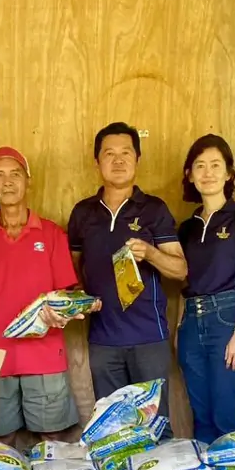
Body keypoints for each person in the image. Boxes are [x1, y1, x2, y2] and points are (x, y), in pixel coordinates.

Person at [0, 146, 83, 445]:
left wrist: (63, 311)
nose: (7, 182)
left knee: (53, 437)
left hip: (44, 355)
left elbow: (65, 295)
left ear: (28, 181)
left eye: (15, 174)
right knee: (1, 440)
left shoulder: (52, 235)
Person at [68, 122, 187, 418]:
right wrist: (77, 298)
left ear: (137, 159)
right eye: (109, 154)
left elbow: (181, 270)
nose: (118, 160)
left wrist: (151, 253)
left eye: (126, 153)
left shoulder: (154, 210)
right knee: (111, 429)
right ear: (97, 162)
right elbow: (71, 274)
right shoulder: (83, 213)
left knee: (155, 426)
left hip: (149, 338)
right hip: (102, 341)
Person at [176, 134, 235, 443]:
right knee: (200, 417)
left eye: (216, 165)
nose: (208, 172)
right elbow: (182, 282)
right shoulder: (186, 227)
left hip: (227, 318)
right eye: (199, 165)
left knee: (224, 415)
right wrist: (179, 327)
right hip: (190, 320)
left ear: (229, 173)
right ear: (190, 174)